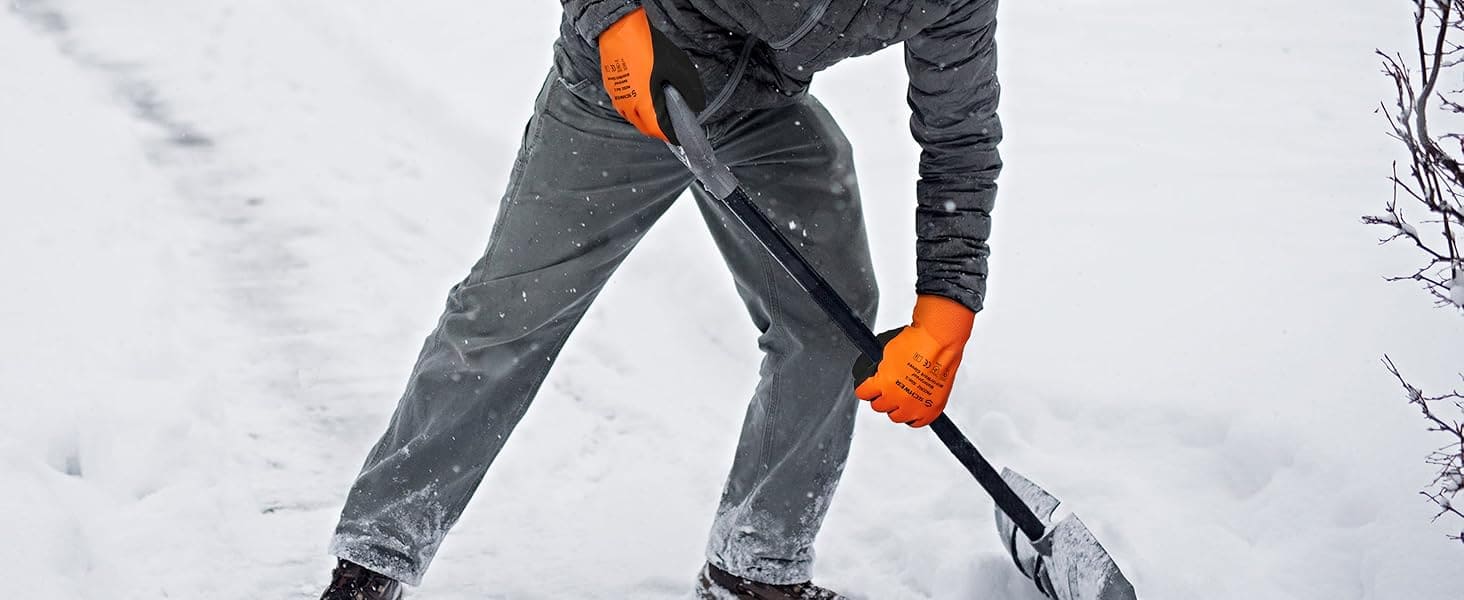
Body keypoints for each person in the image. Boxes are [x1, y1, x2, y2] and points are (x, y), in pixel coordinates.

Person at [319, 1, 1000, 598]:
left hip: (761, 113)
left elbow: (961, 142)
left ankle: (756, 566)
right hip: (621, 88)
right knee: (508, 314)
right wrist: (611, 19)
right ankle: (375, 557)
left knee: (829, 328)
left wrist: (948, 312)